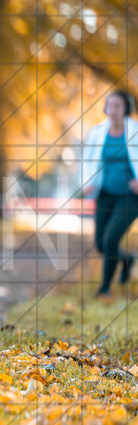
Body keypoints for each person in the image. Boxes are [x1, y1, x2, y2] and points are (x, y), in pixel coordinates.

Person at [81, 89, 138, 300]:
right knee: (100, 244)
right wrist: (87, 183)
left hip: (130, 197)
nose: (112, 110)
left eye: (118, 106)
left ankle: (104, 288)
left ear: (126, 109)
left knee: (111, 239)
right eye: (109, 105)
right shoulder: (97, 133)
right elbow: (87, 159)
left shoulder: (135, 131)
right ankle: (127, 259)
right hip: (104, 193)